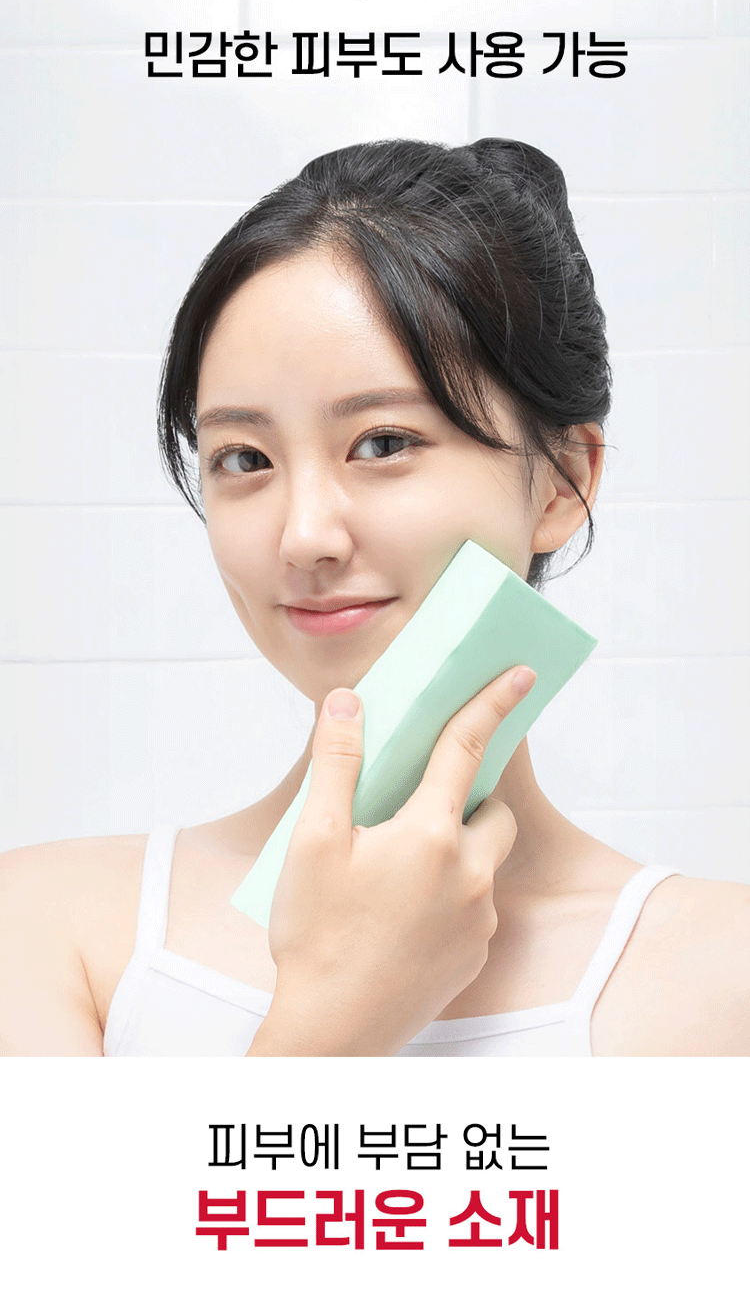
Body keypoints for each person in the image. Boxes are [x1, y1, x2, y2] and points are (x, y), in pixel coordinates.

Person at [1, 138, 747, 1057]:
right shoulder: (46, 931)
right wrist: (339, 1011)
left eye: (383, 443)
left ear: (562, 480)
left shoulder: (724, 974)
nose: (304, 536)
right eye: (245, 459)